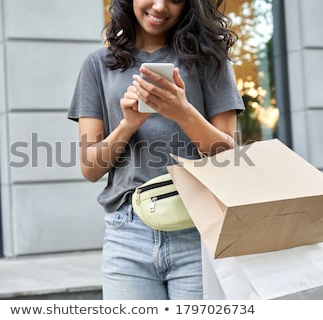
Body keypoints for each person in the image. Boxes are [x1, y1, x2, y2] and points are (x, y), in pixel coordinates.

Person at [68, 0, 244, 300]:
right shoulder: (98, 64)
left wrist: (182, 111)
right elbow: (90, 168)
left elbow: (227, 156)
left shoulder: (209, 60)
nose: (161, 6)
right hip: (127, 232)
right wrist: (128, 124)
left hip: (197, 228)